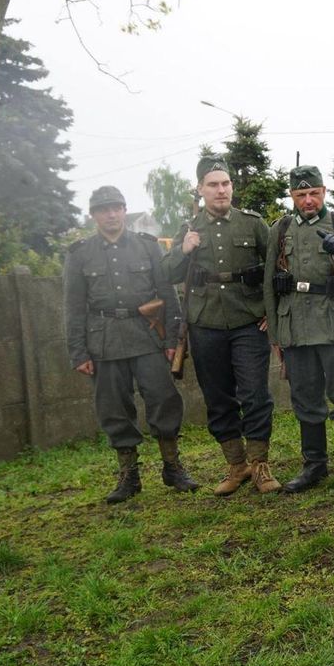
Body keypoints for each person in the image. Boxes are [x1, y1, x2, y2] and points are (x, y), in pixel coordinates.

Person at [64, 185, 197, 503]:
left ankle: (172, 467)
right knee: (113, 407)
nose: (111, 213)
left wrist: (171, 339)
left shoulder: (148, 247)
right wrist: (78, 351)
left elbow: (168, 294)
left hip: (147, 336)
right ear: (94, 215)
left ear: (124, 211)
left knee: (164, 399)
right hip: (104, 340)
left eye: (116, 207)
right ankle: (129, 476)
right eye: (103, 209)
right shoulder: (80, 254)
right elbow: (73, 306)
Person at [162, 155, 277, 496]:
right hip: (206, 323)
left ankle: (259, 465)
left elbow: (274, 270)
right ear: (200, 189)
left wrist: (270, 310)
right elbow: (166, 275)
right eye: (213, 184)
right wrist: (183, 250)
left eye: (225, 183)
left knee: (256, 393)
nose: (221, 190)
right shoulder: (189, 229)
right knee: (217, 397)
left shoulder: (253, 224)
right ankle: (236, 464)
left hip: (248, 320)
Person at [264, 165, 334, 495]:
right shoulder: (280, 229)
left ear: (324, 191)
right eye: (300, 194)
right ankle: (315, 466)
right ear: (292, 196)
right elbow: (270, 284)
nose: (308, 200)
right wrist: (277, 334)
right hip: (296, 326)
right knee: (305, 398)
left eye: (313, 193)